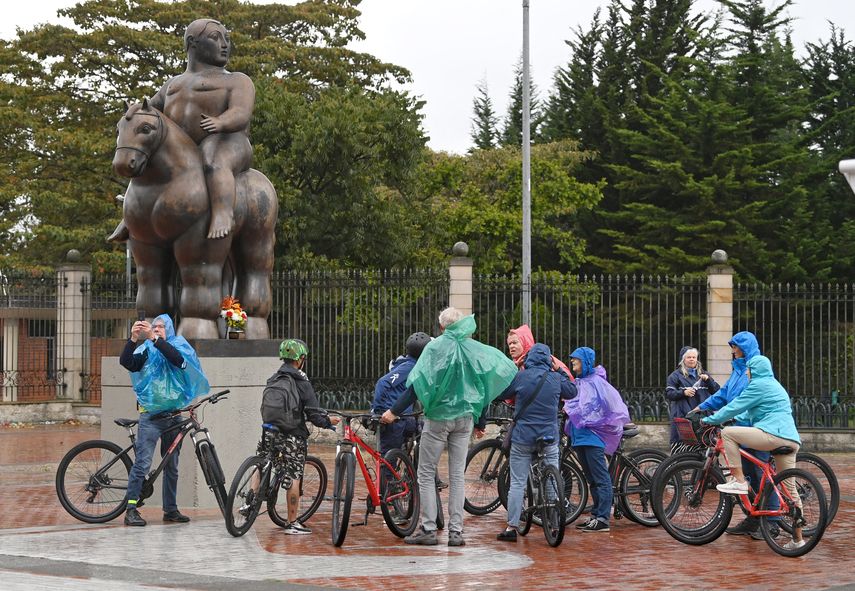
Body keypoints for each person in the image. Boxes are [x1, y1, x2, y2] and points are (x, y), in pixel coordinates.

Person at [381, 307, 517, 547]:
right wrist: (481, 421)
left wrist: (393, 411)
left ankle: (428, 529)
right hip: (464, 417)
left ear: (442, 327)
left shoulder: (435, 348)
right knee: (456, 475)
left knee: (425, 472)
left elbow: (417, 383)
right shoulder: (471, 349)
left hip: (438, 417)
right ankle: (456, 532)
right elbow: (482, 386)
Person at [109, 18, 253, 241]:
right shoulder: (173, 84)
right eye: (216, 38)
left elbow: (241, 113)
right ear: (192, 43)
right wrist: (138, 109)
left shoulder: (237, 80)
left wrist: (221, 122)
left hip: (226, 142)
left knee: (213, 160)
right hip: (185, 149)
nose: (225, 44)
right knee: (145, 159)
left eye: (227, 39)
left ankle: (223, 213)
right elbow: (154, 108)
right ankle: (131, 217)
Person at [701, 354, 804, 550]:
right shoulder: (773, 385)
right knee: (790, 491)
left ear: (756, 370)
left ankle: (739, 481)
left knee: (728, 434)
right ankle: (798, 540)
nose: (747, 372)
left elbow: (736, 405)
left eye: (749, 369)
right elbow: (747, 412)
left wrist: (710, 420)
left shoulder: (759, 385)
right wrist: (733, 417)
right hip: (790, 439)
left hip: (773, 434)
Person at [120, 314, 209, 527]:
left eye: (161, 327)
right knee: (142, 464)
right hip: (151, 417)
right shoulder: (146, 350)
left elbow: (177, 360)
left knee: (172, 465)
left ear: (168, 329)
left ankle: (170, 509)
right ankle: (130, 509)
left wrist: (154, 338)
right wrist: (133, 339)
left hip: (173, 416)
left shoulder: (177, 346)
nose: (157, 329)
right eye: (154, 327)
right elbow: (127, 363)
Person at [690, 330, 774, 538]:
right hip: (741, 427)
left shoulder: (754, 369)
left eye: (735, 346)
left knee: (760, 473)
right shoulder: (738, 370)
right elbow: (724, 394)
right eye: (732, 346)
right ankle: (753, 519)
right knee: (745, 475)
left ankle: (773, 522)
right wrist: (701, 407)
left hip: (757, 426)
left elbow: (748, 401)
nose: (733, 350)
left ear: (744, 348)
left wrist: (729, 417)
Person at [492, 343, 577, 541]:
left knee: (518, 482)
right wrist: (558, 369)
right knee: (551, 480)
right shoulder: (555, 378)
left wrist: (515, 369)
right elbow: (572, 391)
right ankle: (554, 524)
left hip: (523, 437)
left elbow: (501, 394)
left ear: (528, 359)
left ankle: (512, 527)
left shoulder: (521, 376)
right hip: (548, 437)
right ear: (549, 360)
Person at [264, 338, 338, 535]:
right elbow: (314, 413)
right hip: (292, 434)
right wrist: (328, 422)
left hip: (270, 430)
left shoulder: (274, 378)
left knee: (264, 460)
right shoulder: (301, 381)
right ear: (300, 359)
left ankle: (249, 501)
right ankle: (292, 522)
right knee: (294, 475)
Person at [564, 346, 630, 532]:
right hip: (581, 436)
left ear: (584, 361)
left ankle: (603, 519)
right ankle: (595, 515)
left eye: (575, 359)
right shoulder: (580, 381)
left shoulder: (596, 382)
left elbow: (605, 405)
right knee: (592, 479)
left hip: (593, 437)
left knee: (601, 478)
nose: (572, 362)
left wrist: (581, 413)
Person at [372, 332, 431, 456]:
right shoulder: (409, 367)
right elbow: (383, 383)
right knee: (389, 457)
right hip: (394, 417)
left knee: (420, 431)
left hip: (403, 415)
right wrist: (378, 411)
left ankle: (408, 467)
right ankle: (388, 475)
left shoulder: (411, 364)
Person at [665, 346, 720, 447]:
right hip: (684, 415)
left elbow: (717, 391)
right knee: (684, 446)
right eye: (689, 357)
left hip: (703, 416)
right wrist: (683, 393)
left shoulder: (704, 374)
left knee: (705, 444)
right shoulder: (675, 376)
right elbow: (669, 394)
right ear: (683, 359)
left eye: (694, 357)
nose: (692, 359)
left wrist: (708, 381)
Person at [506, 324, 572, 377]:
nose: (511, 346)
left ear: (525, 342)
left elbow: (567, 380)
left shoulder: (543, 358)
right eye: (509, 344)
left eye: (514, 342)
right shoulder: (512, 365)